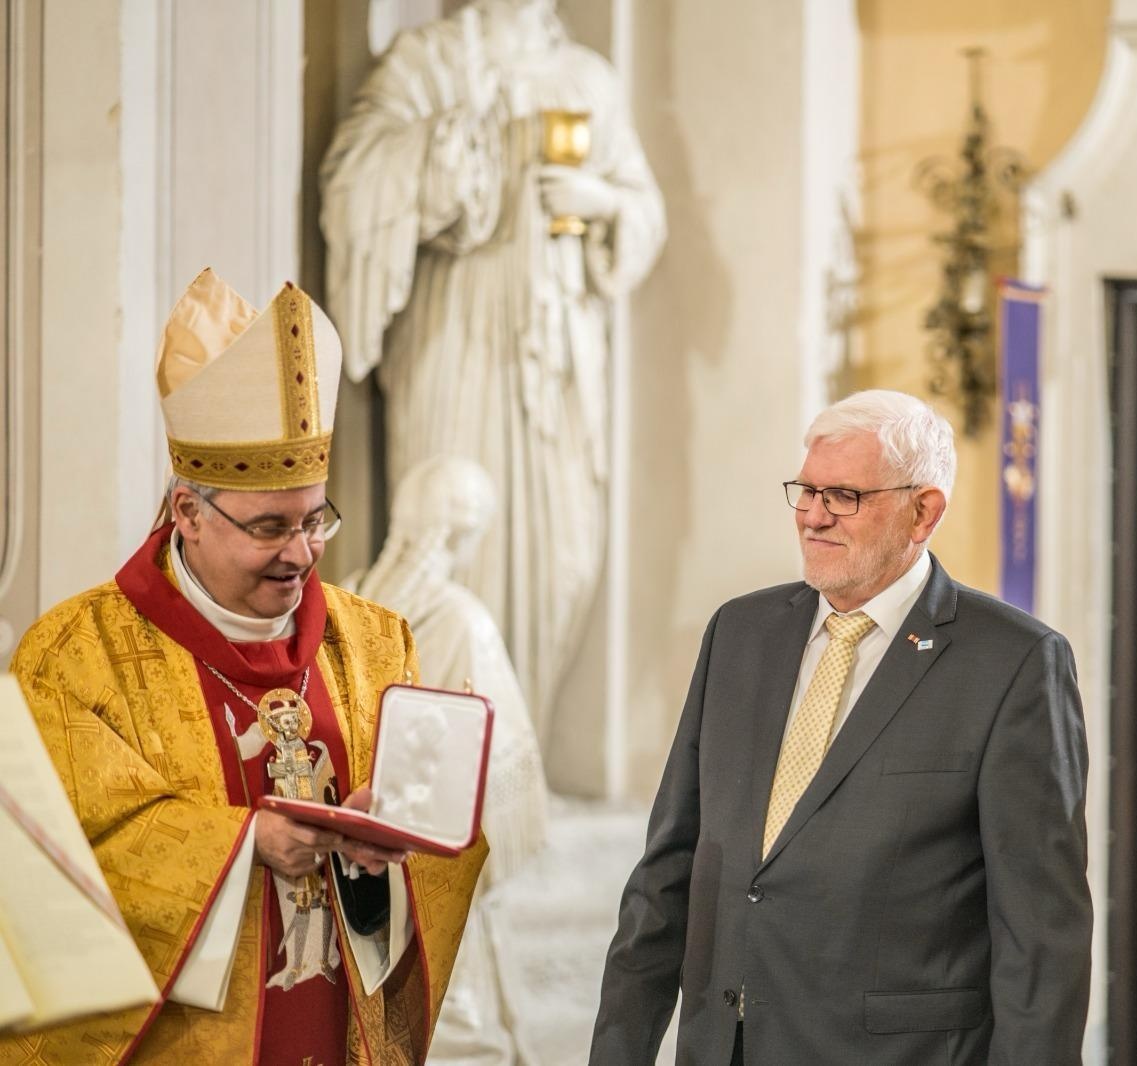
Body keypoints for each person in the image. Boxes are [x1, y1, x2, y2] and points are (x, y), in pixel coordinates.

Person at [2, 269, 486, 1063]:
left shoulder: (375, 645)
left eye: (314, 520)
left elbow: (430, 871)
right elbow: (40, 882)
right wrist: (240, 848)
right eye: (269, 527)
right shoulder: (74, 660)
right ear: (188, 513)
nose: (302, 554)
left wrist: (384, 851)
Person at [590, 390, 1092, 1065]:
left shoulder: (1015, 663)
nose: (813, 517)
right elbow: (668, 873)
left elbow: (1041, 938)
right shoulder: (740, 633)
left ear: (924, 511)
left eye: (845, 496)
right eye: (806, 491)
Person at [321, 0, 667, 748]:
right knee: (446, 525)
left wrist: (600, 201)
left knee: (562, 551)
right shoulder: (429, 62)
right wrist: (442, 152)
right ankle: (445, 763)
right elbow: (354, 182)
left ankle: (517, 755)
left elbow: (642, 205)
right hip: (458, 332)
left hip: (557, 351)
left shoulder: (586, 77)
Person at [352, 455, 549, 1065]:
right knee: (461, 1022)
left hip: (367, 845)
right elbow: (498, 759)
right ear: (463, 533)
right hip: (441, 849)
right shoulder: (464, 619)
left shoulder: (356, 593)